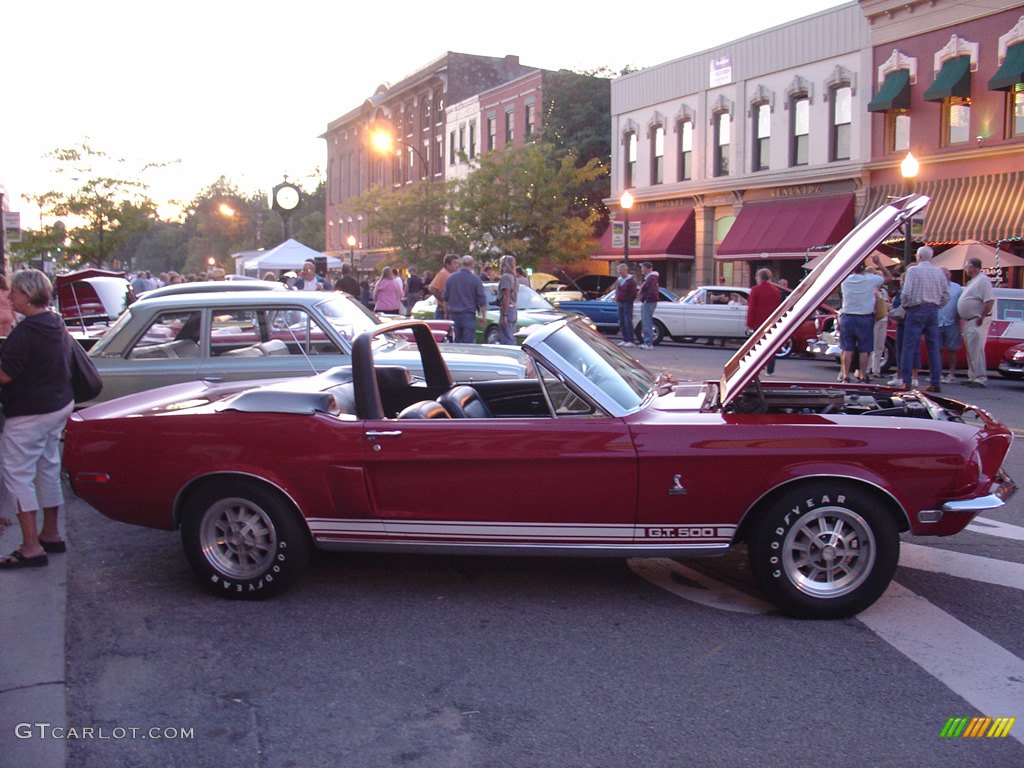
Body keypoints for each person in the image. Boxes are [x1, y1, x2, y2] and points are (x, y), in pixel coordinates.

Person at [0, 270, 76, 570]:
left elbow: (6, 374)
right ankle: (51, 532)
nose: (10, 297)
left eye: (15, 292)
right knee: (48, 467)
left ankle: (30, 546)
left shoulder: (27, 331)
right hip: (58, 404)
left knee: (18, 475)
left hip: (30, 412)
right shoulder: (54, 321)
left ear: (28, 295)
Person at [897, 245, 948, 392]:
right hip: (933, 309)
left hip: (916, 308)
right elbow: (946, 293)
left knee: (909, 346)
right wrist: (938, 305)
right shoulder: (939, 272)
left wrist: (906, 306)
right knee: (933, 347)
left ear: (918, 257)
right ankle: (935, 381)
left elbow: (906, 293)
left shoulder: (913, 271)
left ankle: (906, 381)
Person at [838, 256, 891, 383]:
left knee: (847, 348)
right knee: (864, 349)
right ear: (864, 269)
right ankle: (862, 375)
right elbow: (888, 277)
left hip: (847, 315)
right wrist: (879, 263)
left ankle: (845, 375)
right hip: (864, 317)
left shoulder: (844, 280)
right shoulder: (870, 280)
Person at [957, 256, 995, 388]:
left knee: (977, 349)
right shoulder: (973, 281)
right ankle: (972, 376)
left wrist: (981, 316)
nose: (966, 269)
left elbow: (989, 300)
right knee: (971, 349)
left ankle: (980, 378)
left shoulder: (983, 281)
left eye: (967, 266)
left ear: (974, 267)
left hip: (976, 319)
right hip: (969, 320)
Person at [746, 268, 783, 375]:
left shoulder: (755, 290)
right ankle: (770, 369)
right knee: (769, 346)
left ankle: (756, 368)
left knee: (756, 347)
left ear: (759, 277)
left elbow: (752, 308)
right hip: (771, 323)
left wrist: (749, 324)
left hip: (758, 323)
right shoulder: (775, 290)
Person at [443, 255, 487, 343]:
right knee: (468, 341)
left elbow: (445, 298)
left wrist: (446, 313)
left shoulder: (451, 278)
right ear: (472, 265)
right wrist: (483, 317)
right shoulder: (476, 280)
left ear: (461, 264)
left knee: (457, 340)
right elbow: (481, 300)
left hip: (454, 314)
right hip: (468, 315)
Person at [938, 267, 963, 384]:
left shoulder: (957, 288)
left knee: (952, 348)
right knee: (937, 349)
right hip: (937, 322)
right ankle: (937, 373)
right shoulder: (934, 287)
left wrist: (961, 315)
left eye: (948, 275)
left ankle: (951, 373)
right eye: (943, 275)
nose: (946, 277)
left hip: (952, 321)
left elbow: (962, 303)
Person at [867, 271, 890, 378]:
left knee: (880, 345)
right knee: (871, 344)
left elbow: (888, 304)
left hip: (884, 319)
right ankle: (867, 369)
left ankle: (876, 369)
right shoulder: (872, 290)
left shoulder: (884, 291)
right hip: (875, 319)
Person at [496, 255, 519, 345]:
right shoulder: (514, 278)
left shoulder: (505, 277)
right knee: (511, 335)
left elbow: (507, 295)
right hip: (513, 309)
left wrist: (504, 315)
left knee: (507, 338)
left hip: (507, 310)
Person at [614, 262, 638, 347]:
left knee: (628, 321)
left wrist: (629, 300)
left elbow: (634, 293)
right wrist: (616, 298)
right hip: (620, 302)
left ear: (625, 270)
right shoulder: (619, 280)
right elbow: (617, 290)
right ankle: (625, 339)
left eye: (621, 271)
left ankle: (631, 340)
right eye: (619, 271)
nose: (620, 272)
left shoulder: (631, 280)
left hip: (627, 303)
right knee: (621, 321)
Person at [428, 254, 459, 319]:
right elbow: (432, 289)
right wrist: (443, 301)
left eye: (457, 263)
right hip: (442, 310)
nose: (457, 265)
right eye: (455, 263)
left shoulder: (450, 274)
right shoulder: (443, 274)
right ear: (448, 264)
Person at [637, 262, 660, 349]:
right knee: (646, 322)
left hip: (648, 302)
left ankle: (648, 343)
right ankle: (647, 342)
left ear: (648, 268)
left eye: (642, 267)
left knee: (647, 322)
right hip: (648, 301)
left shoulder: (651, 278)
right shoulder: (650, 278)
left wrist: (646, 299)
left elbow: (652, 291)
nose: (641, 269)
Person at [0, 273, 16, 337]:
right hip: (8, 315)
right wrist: (16, 319)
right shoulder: (8, 293)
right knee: (6, 336)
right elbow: (12, 306)